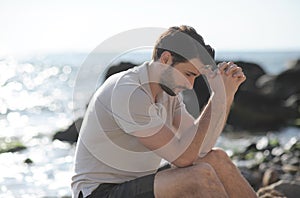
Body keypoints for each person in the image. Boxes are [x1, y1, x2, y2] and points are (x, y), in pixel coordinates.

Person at [71, 25, 258, 198]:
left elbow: (201, 147)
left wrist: (226, 97)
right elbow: (183, 158)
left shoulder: (168, 94)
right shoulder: (130, 92)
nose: (189, 85)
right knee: (198, 177)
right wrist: (217, 97)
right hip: (100, 192)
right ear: (166, 59)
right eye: (188, 74)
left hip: (137, 184)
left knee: (216, 159)